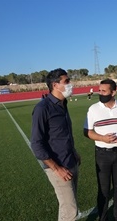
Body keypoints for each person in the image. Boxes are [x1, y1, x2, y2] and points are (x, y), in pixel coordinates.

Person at [31, 68, 81, 221]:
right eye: (66, 82)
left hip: (71, 161)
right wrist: (57, 168)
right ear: (55, 85)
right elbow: (36, 144)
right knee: (71, 211)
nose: (70, 84)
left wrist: (74, 152)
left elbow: (62, 135)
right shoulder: (42, 108)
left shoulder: (63, 104)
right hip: (58, 167)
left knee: (67, 207)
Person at [83, 79, 117, 221]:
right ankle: (103, 217)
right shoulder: (93, 109)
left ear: (113, 92)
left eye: (103, 91)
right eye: (99, 90)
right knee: (104, 190)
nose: (100, 93)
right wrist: (102, 138)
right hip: (102, 154)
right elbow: (87, 131)